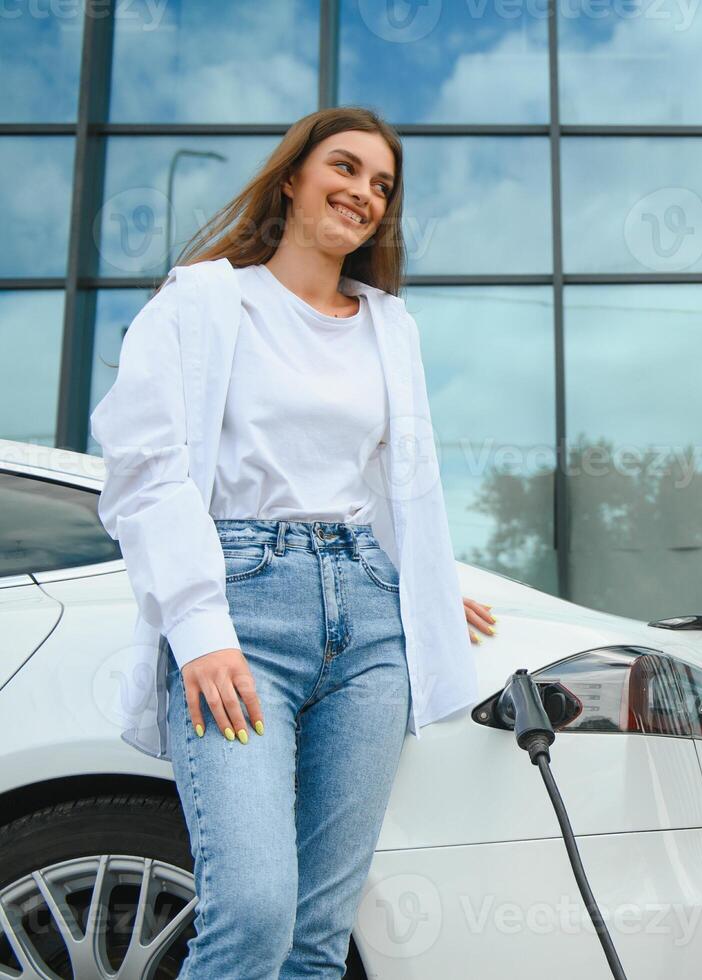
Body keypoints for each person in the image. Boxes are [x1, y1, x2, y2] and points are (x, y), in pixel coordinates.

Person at [89, 106, 499, 979]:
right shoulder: (204, 299)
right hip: (243, 605)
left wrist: (425, 584)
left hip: (368, 626)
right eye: (344, 169)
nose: (362, 193)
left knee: (318, 937)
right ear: (292, 179)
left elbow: (400, 487)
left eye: (381, 186)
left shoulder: (390, 326)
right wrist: (198, 630)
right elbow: (144, 474)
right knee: (253, 912)